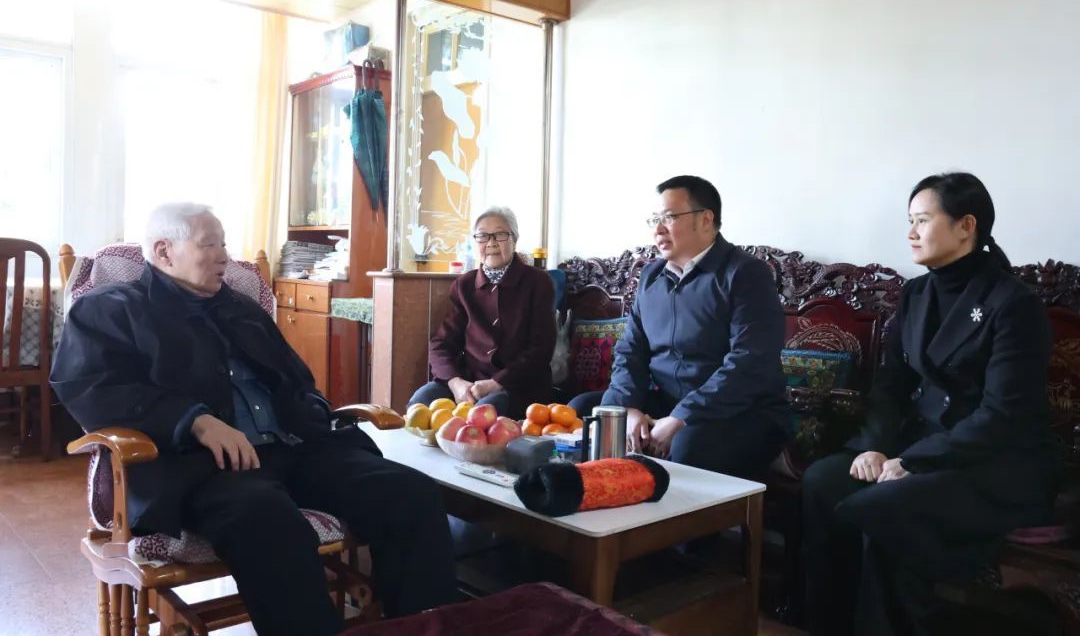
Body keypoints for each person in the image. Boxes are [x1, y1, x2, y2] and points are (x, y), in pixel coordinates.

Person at [51, 203, 458, 636]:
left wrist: (313, 413)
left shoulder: (241, 307)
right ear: (164, 251)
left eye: (224, 244)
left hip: (295, 448)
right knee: (271, 523)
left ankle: (427, 629)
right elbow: (93, 389)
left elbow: (297, 381)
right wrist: (194, 421)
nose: (225, 256)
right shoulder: (110, 309)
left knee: (410, 492)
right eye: (210, 245)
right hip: (203, 468)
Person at [801, 173, 1057, 636]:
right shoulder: (917, 293)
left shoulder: (1012, 303)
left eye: (922, 220)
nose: (911, 233)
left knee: (888, 507)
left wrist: (914, 461)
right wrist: (875, 446)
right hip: (916, 446)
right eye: (910, 221)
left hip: (990, 461)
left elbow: (1003, 415)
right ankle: (826, 623)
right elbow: (890, 385)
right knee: (824, 480)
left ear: (966, 226)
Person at [569, 175, 790, 480]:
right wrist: (627, 408)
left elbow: (749, 363)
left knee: (687, 445)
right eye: (655, 220)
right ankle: (599, 503)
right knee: (587, 410)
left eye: (669, 218)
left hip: (741, 412)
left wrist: (682, 417)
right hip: (667, 401)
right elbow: (630, 351)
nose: (658, 229)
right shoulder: (652, 276)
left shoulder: (745, 274)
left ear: (706, 219)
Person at [411, 206, 556, 420]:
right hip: (469, 384)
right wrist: (455, 382)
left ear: (514, 240)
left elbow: (541, 349)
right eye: (483, 236)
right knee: (421, 402)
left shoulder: (538, 282)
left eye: (500, 234)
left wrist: (497, 382)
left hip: (518, 385)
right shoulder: (465, 285)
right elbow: (441, 343)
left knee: (484, 413)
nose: (491, 243)